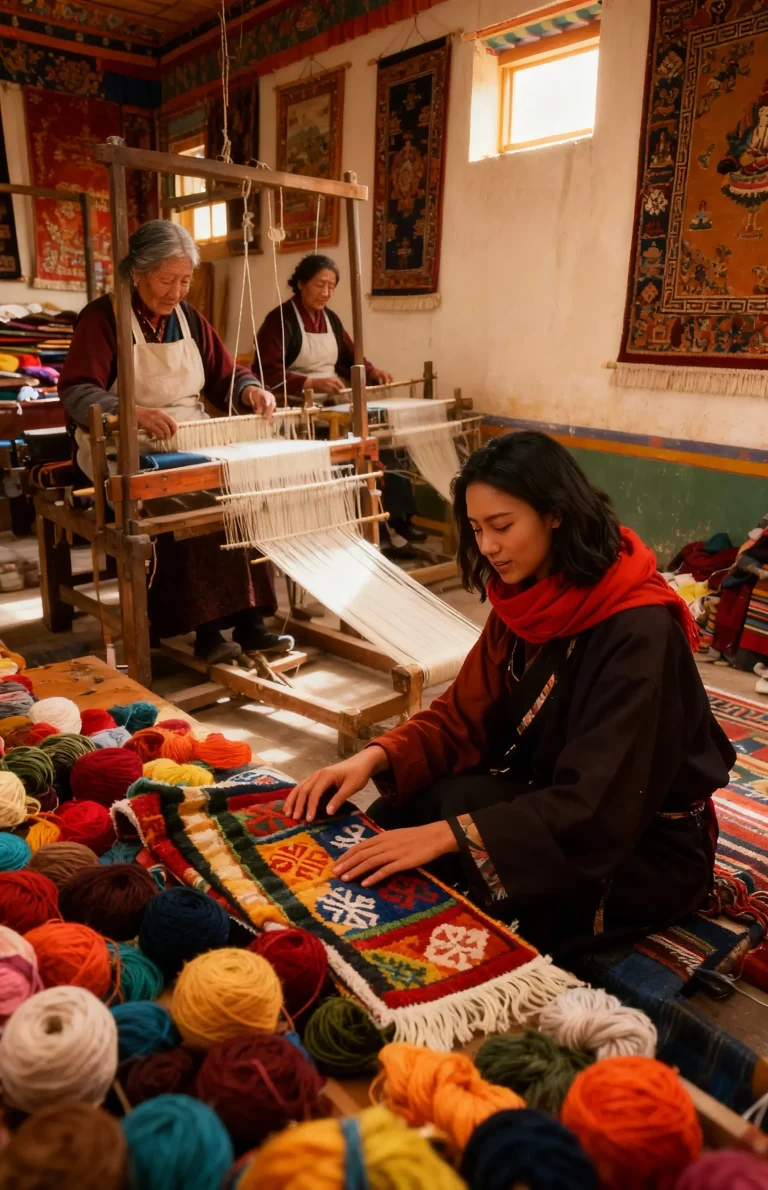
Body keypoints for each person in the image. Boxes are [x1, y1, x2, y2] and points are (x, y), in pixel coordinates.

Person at [284, 432, 735, 959]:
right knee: (416, 808)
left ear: (556, 514)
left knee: (456, 866)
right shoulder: (526, 602)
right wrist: (372, 756)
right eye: (476, 530)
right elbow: (462, 716)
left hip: (635, 848)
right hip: (556, 803)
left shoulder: (639, 633)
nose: (488, 547)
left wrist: (447, 837)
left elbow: (598, 806)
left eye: (502, 526)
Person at [59, 219, 291, 665]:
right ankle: (206, 630)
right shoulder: (102, 317)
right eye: (166, 279)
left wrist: (250, 390)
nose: (176, 291)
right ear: (136, 273)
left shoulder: (190, 320)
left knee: (242, 491)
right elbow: (76, 389)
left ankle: (250, 622)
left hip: (188, 436)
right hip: (120, 443)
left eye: (184, 280)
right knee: (183, 503)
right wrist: (129, 412)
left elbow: (227, 375)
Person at [255, 254, 426, 552]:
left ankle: (398, 519)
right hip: (296, 412)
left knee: (383, 442)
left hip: (331, 406)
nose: (326, 293)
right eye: (320, 284)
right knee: (352, 454)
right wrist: (310, 383)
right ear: (300, 284)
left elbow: (351, 358)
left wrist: (371, 371)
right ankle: (366, 527)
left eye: (331, 286)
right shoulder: (279, 321)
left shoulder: (331, 320)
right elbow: (264, 372)